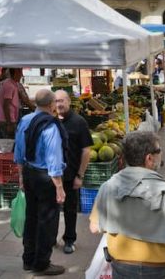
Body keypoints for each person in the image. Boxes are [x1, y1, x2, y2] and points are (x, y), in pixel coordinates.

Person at [89, 131, 165, 279]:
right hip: (160, 271)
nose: (160, 154)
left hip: (121, 268)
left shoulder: (108, 187)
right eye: (159, 151)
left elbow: (94, 227)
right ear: (149, 158)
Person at [14, 89, 67, 275]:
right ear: (52, 105)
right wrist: (59, 187)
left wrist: (21, 175)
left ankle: (28, 259)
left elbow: (19, 151)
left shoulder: (25, 120)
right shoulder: (51, 126)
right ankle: (42, 263)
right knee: (47, 221)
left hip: (29, 172)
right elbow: (54, 160)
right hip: (46, 177)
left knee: (32, 217)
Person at [56, 89, 93, 255]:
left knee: (70, 209)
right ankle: (50, 238)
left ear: (69, 102)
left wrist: (80, 175)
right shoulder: (50, 121)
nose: (59, 104)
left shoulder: (79, 122)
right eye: (56, 101)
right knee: (51, 209)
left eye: (63, 100)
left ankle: (69, 240)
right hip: (52, 176)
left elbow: (86, 151)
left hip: (71, 176)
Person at [0, 68, 23, 139]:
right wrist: (9, 124)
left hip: (6, 119)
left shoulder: (12, 83)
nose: (22, 75)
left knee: (7, 143)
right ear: (16, 73)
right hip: (5, 120)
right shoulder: (9, 85)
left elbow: (22, 98)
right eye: (20, 73)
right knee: (7, 143)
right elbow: (6, 105)